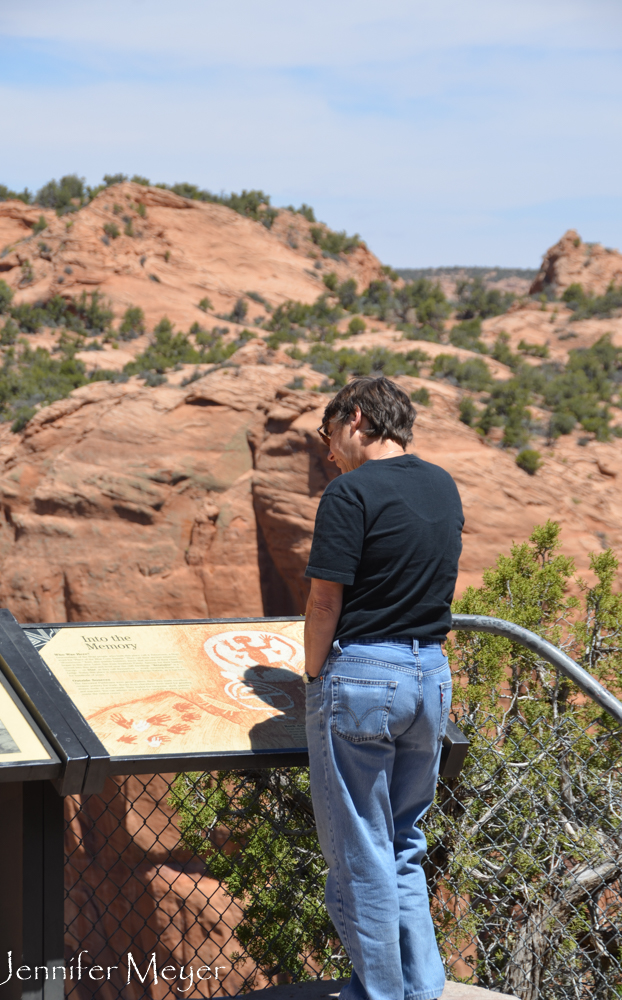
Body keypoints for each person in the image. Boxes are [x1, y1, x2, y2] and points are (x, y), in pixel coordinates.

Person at [303, 376, 463, 1000]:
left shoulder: (349, 494)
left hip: (365, 678)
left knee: (360, 855)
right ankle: (422, 990)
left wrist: (315, 676)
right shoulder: (442, 484)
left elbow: (323, 602)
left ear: (358, 418)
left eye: (329, 435)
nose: (329, 452)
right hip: (431, 680)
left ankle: (378, 995)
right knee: (403, 847)